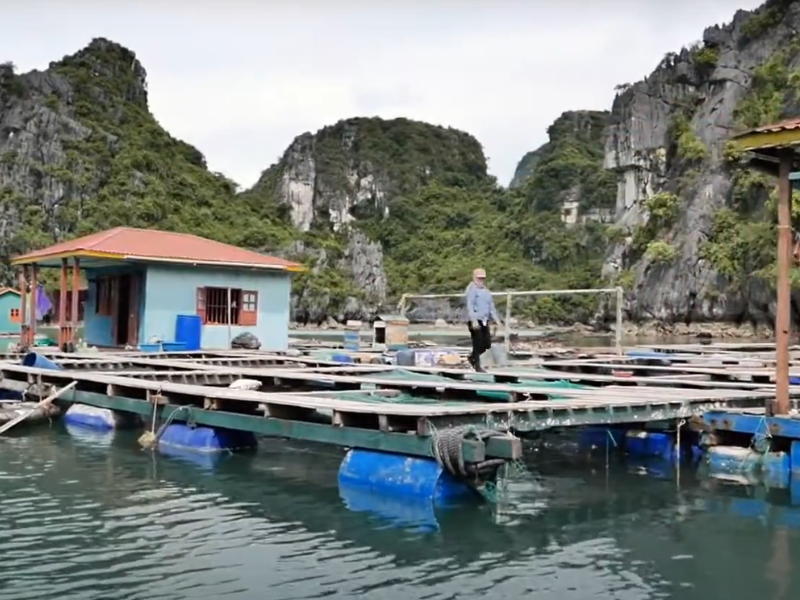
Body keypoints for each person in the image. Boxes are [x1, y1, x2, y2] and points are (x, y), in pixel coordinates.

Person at [464, 268, 502, 372]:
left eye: (483, 278)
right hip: (475, 320)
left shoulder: (486, 292)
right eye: (479, 278)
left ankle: (471, 357)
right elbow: (470, 305)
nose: (481, 280)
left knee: (486, 344)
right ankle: (477, 365)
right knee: (477, 343)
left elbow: (491, 307)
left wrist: (497, 320)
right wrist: (473, 320)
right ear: (474, 278)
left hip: (485, 320)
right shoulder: (472, 289)